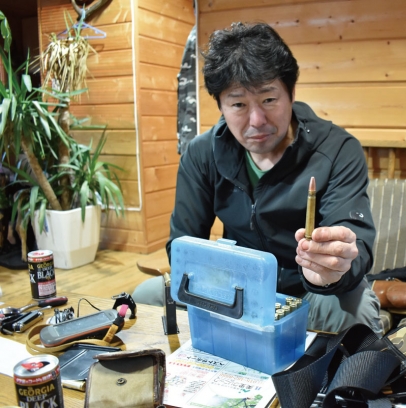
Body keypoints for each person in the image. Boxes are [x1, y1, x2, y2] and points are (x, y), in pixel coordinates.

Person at [133, 22, 382, 335]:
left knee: (357, 314)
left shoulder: (337, 150)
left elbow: (354, 241)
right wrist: (220, 282)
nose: (256, 121)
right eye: (238, 104)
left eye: (268, 100)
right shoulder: (202, 153)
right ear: (221, 106)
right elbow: (183, 245)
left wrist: (332, 268)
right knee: (146, 296)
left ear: (291, 94)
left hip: (309, 289)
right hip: (233, 288)